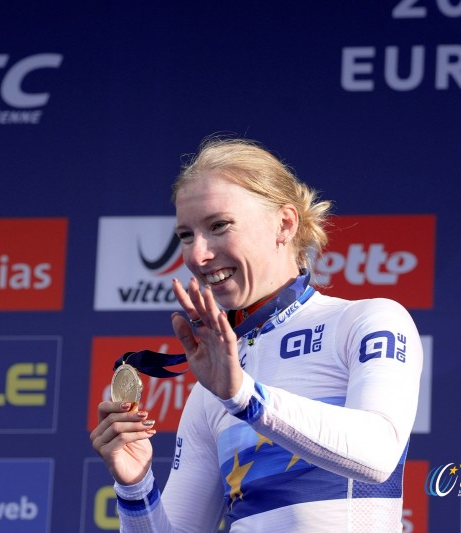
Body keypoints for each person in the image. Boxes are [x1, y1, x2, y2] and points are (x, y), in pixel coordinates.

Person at [90, 136, 423, 532]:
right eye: (185, 235)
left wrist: (244, 396)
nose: (197, 255)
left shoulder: (366, 321)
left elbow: (378, 454)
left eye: (218, 226)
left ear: (284, 224)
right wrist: (135, 486)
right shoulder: (210, 390)